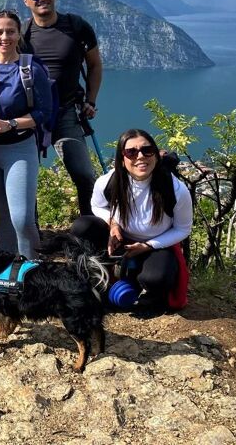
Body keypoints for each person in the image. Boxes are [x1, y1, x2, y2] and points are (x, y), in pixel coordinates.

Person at [71, 129, 193, 315]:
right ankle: (102, 277)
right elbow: (97, 206)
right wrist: (113, 225)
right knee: (82, 227)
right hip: (119, 237)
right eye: (131, 152)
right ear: (122, 158)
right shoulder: (107, 182)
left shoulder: (175, 189)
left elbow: (182, 229)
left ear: (155, 154)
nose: (140, 156)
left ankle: (139, 284)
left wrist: (148, 245)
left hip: (155, 244)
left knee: (155, 278)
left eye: (147, 150)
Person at [20, 0, 102, 215]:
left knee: (85, 176)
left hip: (66, 111)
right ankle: (31, 231)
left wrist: (90, 100)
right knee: (26, 178)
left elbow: (95, 65)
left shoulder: (77, 27)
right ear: (26, 1)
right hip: (30, 116)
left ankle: (90, 230)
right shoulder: (22, 34)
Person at [0, 9, 53, 259]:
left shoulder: (30, 69)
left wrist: (9, 123)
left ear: (18, 34)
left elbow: (45, 112)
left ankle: (33, 267)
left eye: (10, 31)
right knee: (1, 215)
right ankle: (9, 268)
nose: (5, 37)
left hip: (19, 149)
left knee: (21, 218)